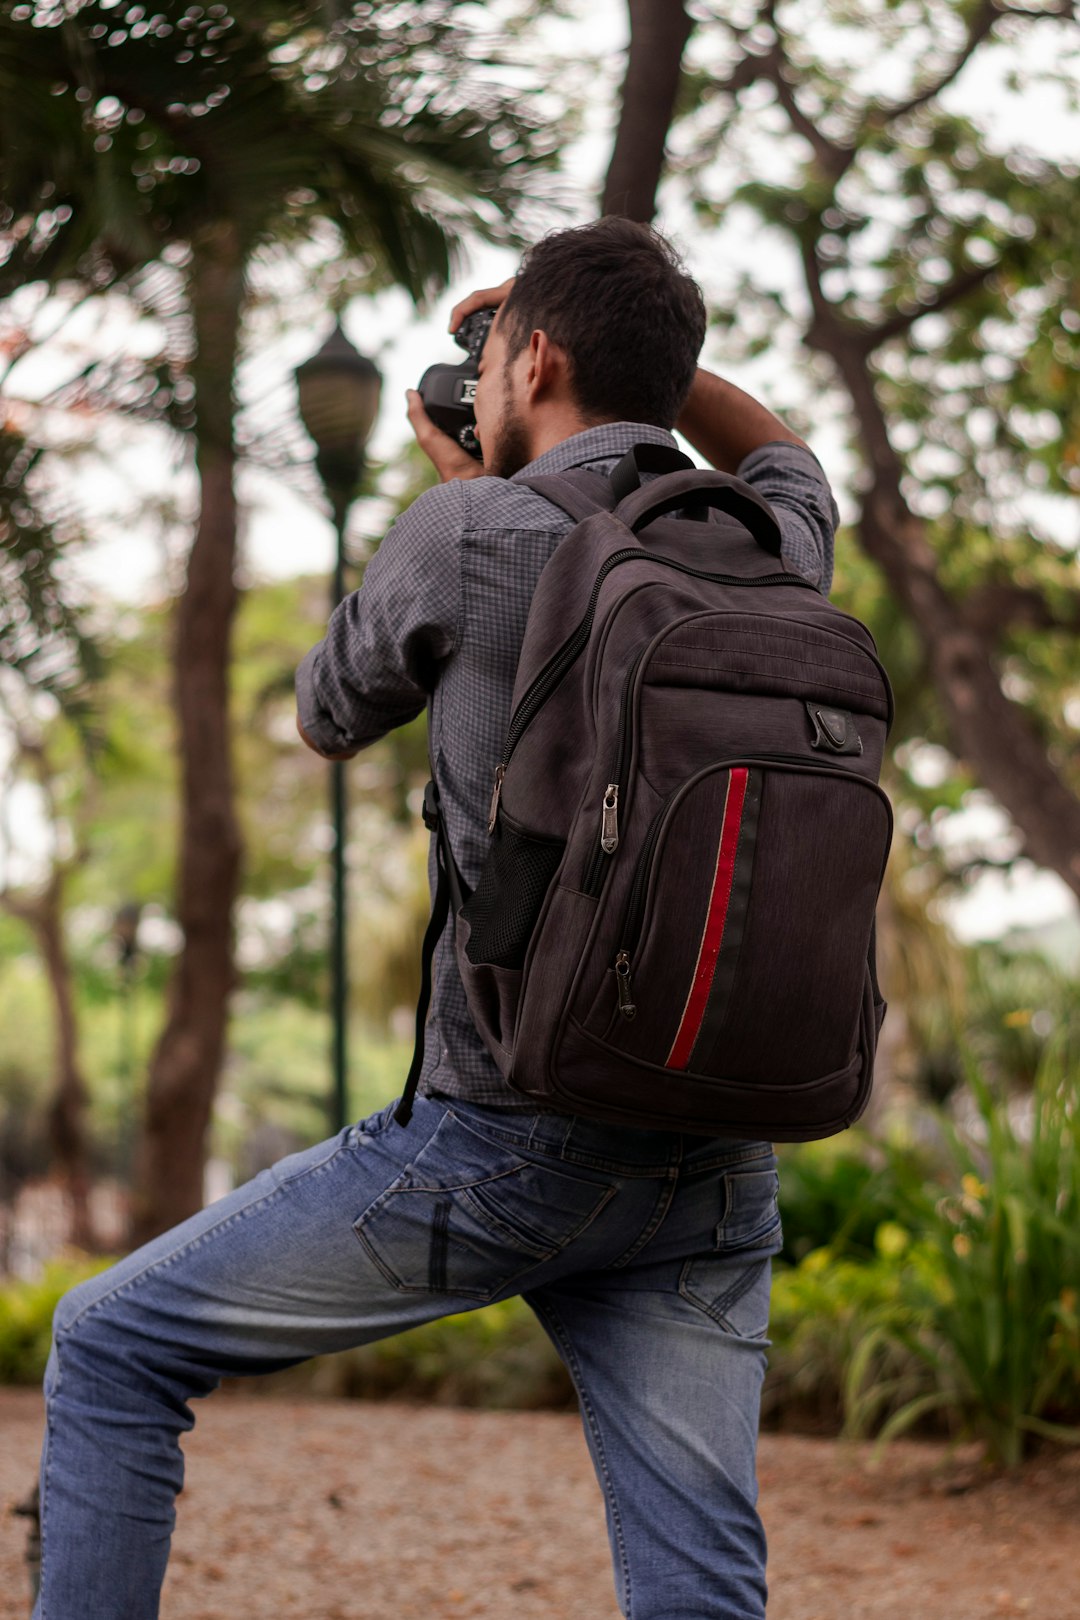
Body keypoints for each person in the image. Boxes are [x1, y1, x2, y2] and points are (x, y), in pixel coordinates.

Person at [34, 219, 838, 1620]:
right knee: (699, 1583)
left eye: (512, 350)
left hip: (501, 1147)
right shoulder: (774, 544)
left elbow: (331, 707)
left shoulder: (467, 530)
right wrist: (658, 368)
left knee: (107, 1344)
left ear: (532, 359)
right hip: (715, 1166)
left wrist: (476, 486)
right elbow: (787, 454)